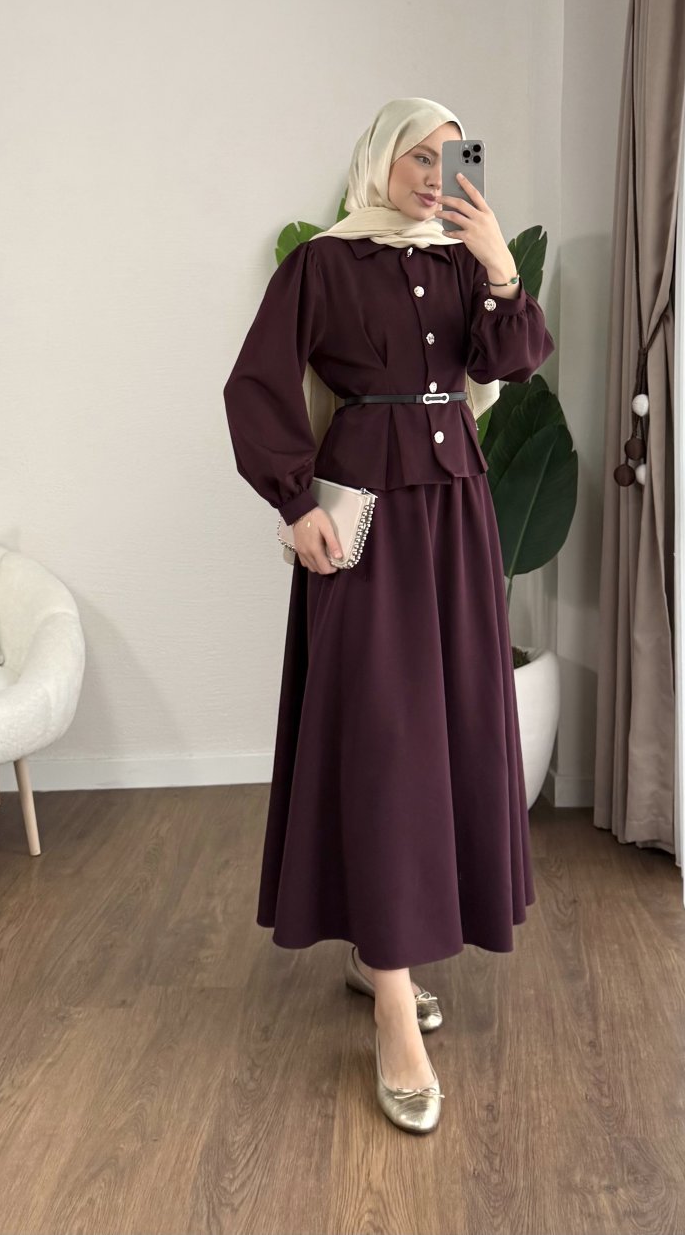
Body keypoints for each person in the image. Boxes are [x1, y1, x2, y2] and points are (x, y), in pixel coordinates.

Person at [223, 97, 556, 1134]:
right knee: (381, 742)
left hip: (455, 517)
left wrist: (500, 267)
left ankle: (387, 960)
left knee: (446, 734)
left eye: (448, 157)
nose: (431, 174)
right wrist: (294, 506)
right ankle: (394, 1012)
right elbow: (256, 386)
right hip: (361, 519)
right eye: (416, 155)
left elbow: (509, 361)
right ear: (377, 160)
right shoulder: (320, 265)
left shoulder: (461, 263)